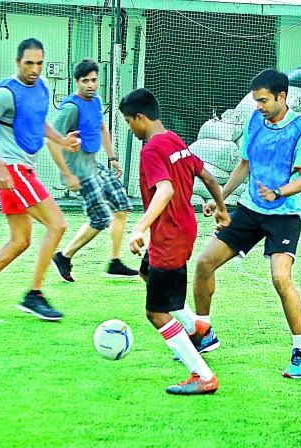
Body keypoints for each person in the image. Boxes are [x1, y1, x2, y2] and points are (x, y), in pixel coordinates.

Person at [193, 69, 301, 379]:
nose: (259, 106)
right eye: (255, 101)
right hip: (250, 210)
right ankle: (203, 333)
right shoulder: (254, 122)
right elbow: (244, 166)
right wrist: (219, 199)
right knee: (204, 263)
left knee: (280, 278)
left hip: (285, 213)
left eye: (263, 101)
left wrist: (278, 191)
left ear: (282, 97)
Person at [0, 38, 81, 320]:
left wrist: (61, 140)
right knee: (57, 224)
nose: (34, 69)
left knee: (20, 241)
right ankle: (35, 295)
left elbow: (37, 122)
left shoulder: (42, 89)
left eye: (39, 63)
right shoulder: (6, 94)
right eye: (29, 63)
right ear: (18, 62)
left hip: (23, 171)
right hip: (13, 171)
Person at [120, 87, 230, 395]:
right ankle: (199, 327)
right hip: (182, 229)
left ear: (140, 117)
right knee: (146, 272)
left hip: (167, 236)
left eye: (129, 122)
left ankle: (202, 374)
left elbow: (165, 190)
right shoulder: (175, 140)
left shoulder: (152, 149)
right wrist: (221, 209)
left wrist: (140, 227)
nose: (131, 128)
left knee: (156, 313)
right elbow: (208, 177)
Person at [50, 59, 138, 282]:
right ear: (76, 82)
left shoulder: (96, 101)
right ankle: (64, 256)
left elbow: (101, 128)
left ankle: (115, 262)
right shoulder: (70, 108)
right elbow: (51, 140)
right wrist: (67, 174)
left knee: (122, 205)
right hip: (78, 170)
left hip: (94, 164)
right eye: (85, 81)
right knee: (99, 218)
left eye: (94, 80)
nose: (90, 85)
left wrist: (113, 158)